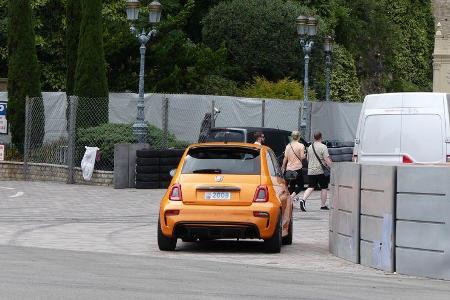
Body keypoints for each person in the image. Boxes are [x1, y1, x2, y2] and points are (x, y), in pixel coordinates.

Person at [300, 131, 332, 211]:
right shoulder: (323, 147)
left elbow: (307, 159)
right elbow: (327, 159)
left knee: (311, 186)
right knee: (324, 187)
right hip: (321, 171)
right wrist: (332, 167)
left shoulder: (310, 147)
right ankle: (323, 205)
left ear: (314, 137)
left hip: (311, 170)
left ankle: (303, 199)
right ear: (321, 137)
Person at [281, 131, 305, 202]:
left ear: (292, 137)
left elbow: (285, 158)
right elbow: (302, 157)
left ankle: (290, 201)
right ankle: (291, 197)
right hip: (298, 168)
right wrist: (305, 155)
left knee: (292, 185)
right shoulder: (301, 146)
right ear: (299, 137)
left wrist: (283, 166)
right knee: (301, 185)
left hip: (289, 168)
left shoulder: (288, 146)